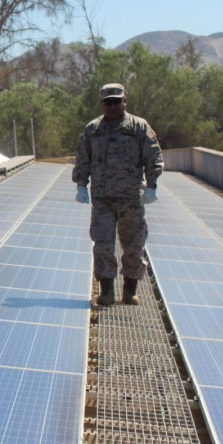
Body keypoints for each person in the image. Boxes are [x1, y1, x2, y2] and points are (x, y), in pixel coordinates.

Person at [73, 83, 164, 305]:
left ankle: (130, 290)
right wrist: (81, 185)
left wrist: (152, 184)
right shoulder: (93, 129)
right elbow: (83, 157)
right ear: (102, 104)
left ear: (125, 101)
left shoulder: (139, 127)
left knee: (133, 245)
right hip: (102, 199)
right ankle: (106, 291)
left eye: (116, 101)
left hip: (130, 198)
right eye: (108, 102)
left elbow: (153, 155)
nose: (112, 106)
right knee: (103, 244)